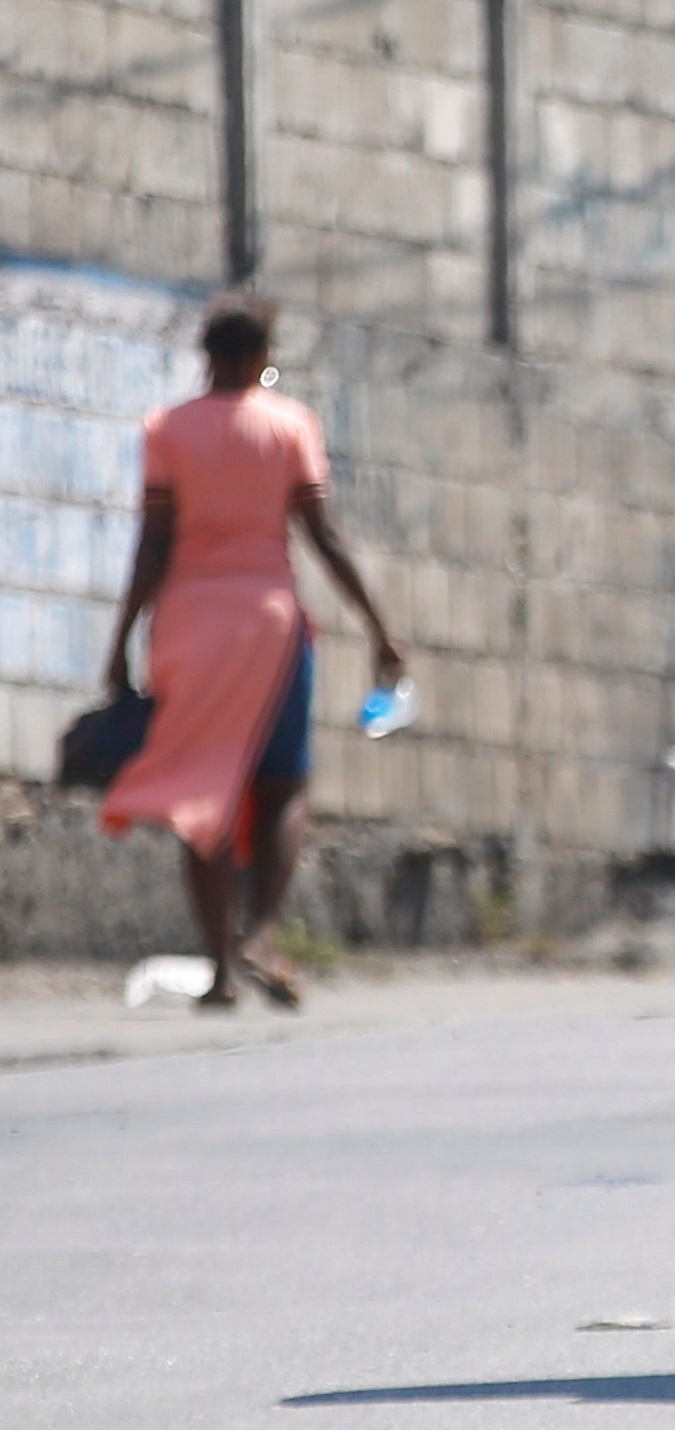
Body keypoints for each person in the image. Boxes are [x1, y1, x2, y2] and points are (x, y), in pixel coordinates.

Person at [98, 292, 405, 1011]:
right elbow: (322, 534)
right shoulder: (289, 424)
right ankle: (262, 931)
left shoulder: (167, 430)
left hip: (189, 628)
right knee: (281, 787)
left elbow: (153, 545)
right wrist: (379, 626)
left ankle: (220, 971)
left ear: (207, 357)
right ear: (262, 356)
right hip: (268, 627)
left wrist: (119, 642)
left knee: (203, 793)